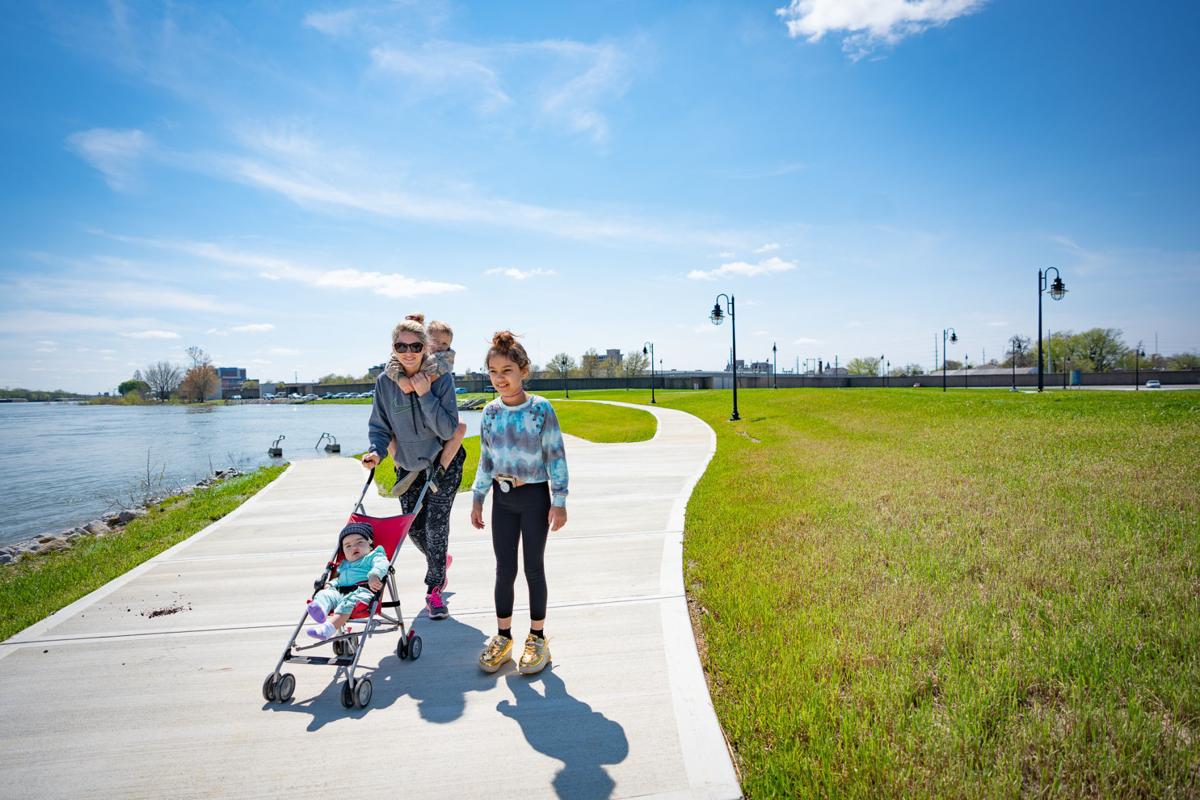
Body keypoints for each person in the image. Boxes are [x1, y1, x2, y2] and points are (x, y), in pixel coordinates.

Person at [471, 331, 569, 675]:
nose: (500, 378)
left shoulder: (541, 409)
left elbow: (556, 456)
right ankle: (502, 637)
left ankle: (538, 637)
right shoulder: (490, 413)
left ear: (523, 370)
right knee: (504, 570)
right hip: (502, 500)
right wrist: (478, 497)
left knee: (533, 568)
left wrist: (559, 501)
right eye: (494, 371)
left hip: (534, 499)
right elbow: (486, 458)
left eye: (507, 370)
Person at [363, 315, 463, 620]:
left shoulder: (441, 379)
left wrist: (425, 394)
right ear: (393, 348)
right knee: (414, 529)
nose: (408, 351)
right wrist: (375, 453)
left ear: (425, 348)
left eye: (415, 345)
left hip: (443, 462)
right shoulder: (384, 383)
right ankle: (439, 558)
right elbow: (379, 427)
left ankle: (434, 590)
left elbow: (448, 430)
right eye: (401, 345)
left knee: (436, 525)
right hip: (407, 468)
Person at [386, 317, 468, 495]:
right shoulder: (408, 356)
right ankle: (400, 466)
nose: (440, 346)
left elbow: (432, 374)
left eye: (445, 343)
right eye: (435, 341)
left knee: (460, 427)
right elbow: (390, 364)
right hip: (410, 415)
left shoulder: (444, 359)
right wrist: (400, 378)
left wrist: (419, 382)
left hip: (433, 410)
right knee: (387, 428)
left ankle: (440, 469)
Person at [305, 522, 388, 641]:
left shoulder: (374, 556)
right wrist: (330, 584)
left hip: (362, 592)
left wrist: (374, 575)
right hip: (340, 592)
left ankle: (328, 629)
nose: (354, 547)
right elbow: (339, 580)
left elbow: (382, 564)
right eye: (348, 546)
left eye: (359, 542)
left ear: (370, 545)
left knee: (348, 601)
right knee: (324, 594)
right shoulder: (344, 564)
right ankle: (321, 610)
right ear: (343, 551)